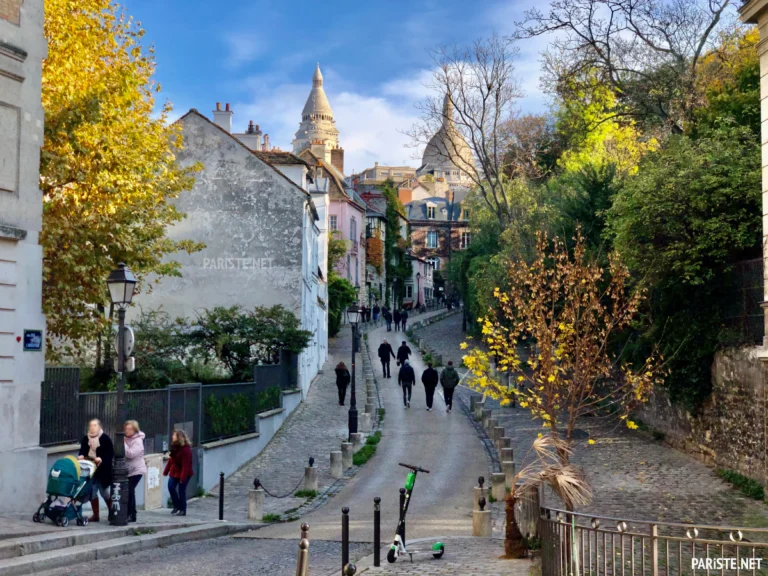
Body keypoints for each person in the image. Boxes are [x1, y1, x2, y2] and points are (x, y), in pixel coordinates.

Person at [78, 418, 114, 522]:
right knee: (92, 492)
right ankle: (96, 515)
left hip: (103, 471)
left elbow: (109, 455)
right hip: (90, 469)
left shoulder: (105, 439)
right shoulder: (86, 438)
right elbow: (82, 451)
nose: (92, 428)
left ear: (99, 427)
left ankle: (111, 512)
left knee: (105, 493)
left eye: (95, 425)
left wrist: (101, 459)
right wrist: (81, 455)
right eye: (91, 425)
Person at [164, 429, 194, 516]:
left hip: (185, 472)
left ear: (179, 437)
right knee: (171, 486)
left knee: (182, 490)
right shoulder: (174, 446)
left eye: (174, 435)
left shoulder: (186, 450)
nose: (172, 437)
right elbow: (171, 460)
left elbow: (186, 465)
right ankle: (176, 506)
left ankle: (183, 509)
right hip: (175, 471)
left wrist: (182, 478)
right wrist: (166, 470)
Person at [124, 420, 146, 523]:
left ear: (134, 430)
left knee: (129, 490)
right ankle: (131, 513)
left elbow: (131, 454)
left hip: (137, 469)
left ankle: (131, 514)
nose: (127, 431)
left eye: (129, 429)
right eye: (126, 429)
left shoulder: (138, 440)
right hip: (128, 469)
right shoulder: (126, 439)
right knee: (129, 491)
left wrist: (123, 443)